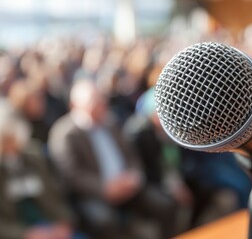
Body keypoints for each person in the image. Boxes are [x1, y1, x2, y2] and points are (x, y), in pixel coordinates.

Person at [48, 79, 177, 239]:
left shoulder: (110, 122)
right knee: (105, 222)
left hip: (127, 186)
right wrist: (105, 188)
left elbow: (131, 154)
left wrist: (134, 176)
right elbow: (72, 175)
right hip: (95, 193)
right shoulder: (64, 133)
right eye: (93, 103)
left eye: (101, 101)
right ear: (75, 105)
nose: (100, 106)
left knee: (165, 205)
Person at [0, 99, 78, 239]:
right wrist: (25, 234)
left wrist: (63, 222)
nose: (10, 145)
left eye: (12, 137)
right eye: (3, 140)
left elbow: (54, 195)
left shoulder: (34, 155)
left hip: (49, 225)